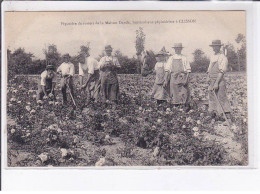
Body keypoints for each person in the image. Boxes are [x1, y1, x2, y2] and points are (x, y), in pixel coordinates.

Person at [207, 40, 232, 123]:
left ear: (219, 47)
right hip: (211, 80)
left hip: (219, 80)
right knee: (212, 98)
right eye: (213, 46)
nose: (214, 48)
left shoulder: (223, 57)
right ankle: (213, 116)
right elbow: (209, 68)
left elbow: (222, 71)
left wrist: (217, 83)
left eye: (216, 46)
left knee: (222, 97)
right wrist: (208, 77)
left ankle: (227, 118)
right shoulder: (212, 56)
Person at [164, 43, 191, 111]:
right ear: (174, 49)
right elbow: (167, 70)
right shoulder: (171, 58)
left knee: (184, 92)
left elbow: (188, 70)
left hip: (182, 77)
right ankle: (176, 107)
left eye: (179, 48)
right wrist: (166, 80)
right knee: (174, 92)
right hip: (174, 77)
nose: (177, 50)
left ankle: (184, 107)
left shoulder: (184, 57)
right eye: (176, 49)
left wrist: (186, 79)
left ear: (181, 49)